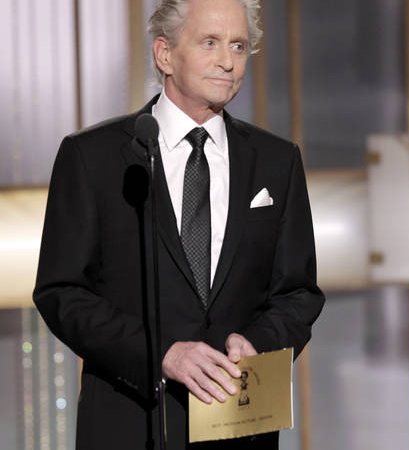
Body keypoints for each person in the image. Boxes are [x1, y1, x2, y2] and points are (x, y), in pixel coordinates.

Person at [32, 0, 325, 449]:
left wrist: (257, 345)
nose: (228, 61)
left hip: (237, 423)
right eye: (210, 43)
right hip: (130, 425)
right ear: (164, 54)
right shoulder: (94, 158)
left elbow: (297, 292)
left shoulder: (277, 161)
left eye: (239, 46)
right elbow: (62, 292)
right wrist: (161, 354)